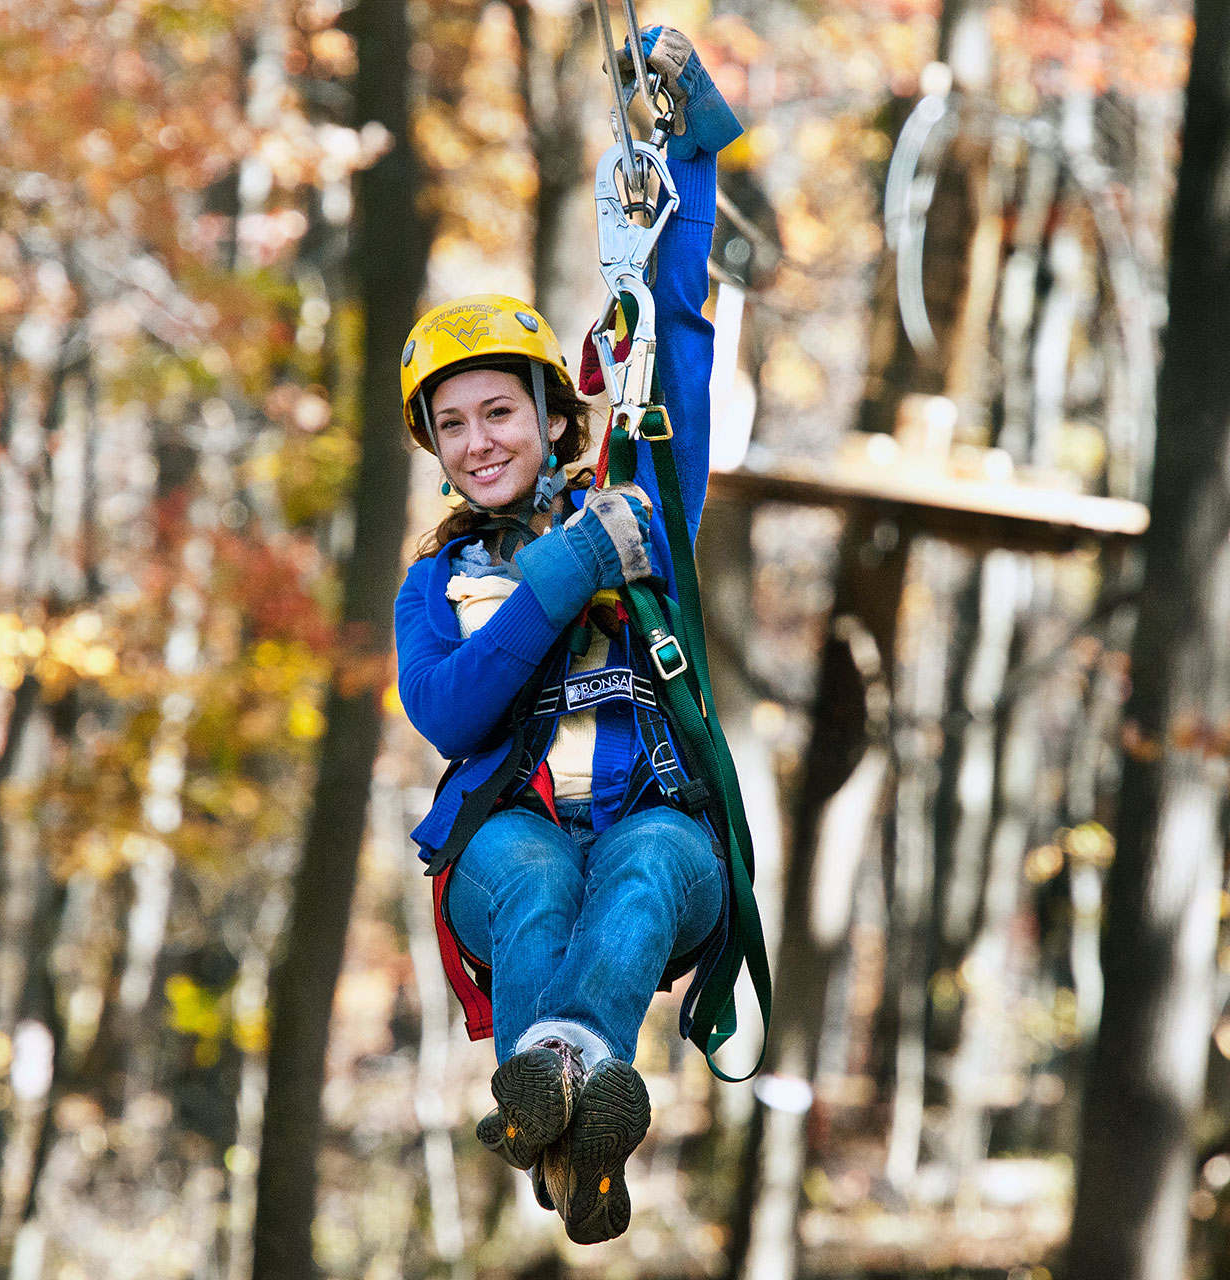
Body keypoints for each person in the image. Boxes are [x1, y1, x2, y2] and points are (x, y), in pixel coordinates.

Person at [392, 27, 744, 1246]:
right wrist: (563, 570)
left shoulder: (637, 508)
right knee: (542, 873)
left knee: (641, 860)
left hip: (665, 830)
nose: (480, 439)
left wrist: (690, 160)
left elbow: (677, 332)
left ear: (554, 414)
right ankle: (582, 1103)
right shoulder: (437, 584)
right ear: (434, 448)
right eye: (453, 425)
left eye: (501, 410)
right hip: (507, 840)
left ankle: (561, 1087)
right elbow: (448, 712)